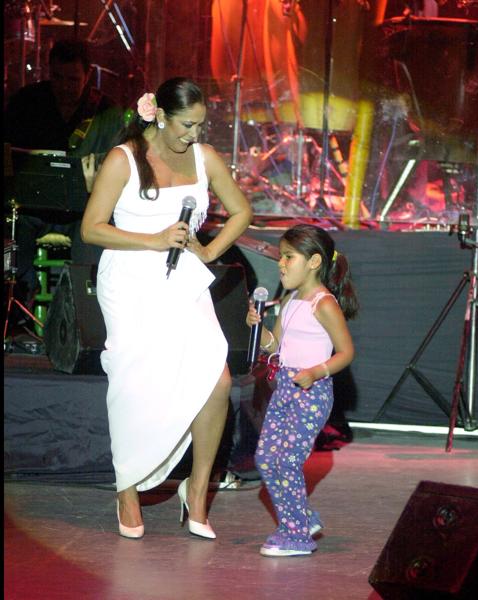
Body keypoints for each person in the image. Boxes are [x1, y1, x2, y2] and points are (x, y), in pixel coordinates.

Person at [80, 77, 253, 539]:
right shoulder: (125, 159)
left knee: (217, 380)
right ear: (159, 114)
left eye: (200, 125)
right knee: (135, 380)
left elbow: (241, 211)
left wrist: (210, 252)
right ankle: (128, 488)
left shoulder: (205, 157)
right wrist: (153, 240)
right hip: (130, 280)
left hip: (183, 280)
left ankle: (195, 492)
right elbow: (92, 229)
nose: (193, 135)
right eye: (186, 125)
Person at [246, 223, 358, 556]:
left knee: (288, 461)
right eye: (281, 256)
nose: (280, 263)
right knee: (266, 459)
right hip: (284, 388)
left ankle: (296, 536)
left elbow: (346, 351)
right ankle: (302, 517)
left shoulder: (324, 304)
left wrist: (316, 371)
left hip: (311, 393)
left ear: (313, 262)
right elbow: (275, 346)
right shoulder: (291, 299)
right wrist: (260, 329)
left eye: (288, 257)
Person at [4, 39, 125, 306]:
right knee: (12, 250)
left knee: (93, 260)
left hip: (84, 214)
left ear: (88, 75)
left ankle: (83, 318)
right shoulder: (26, 102)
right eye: (57, 78)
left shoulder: (108, 113)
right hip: (30, 212)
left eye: (73, 79)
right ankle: (18, 314)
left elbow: (124, 166)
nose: (65, 87)